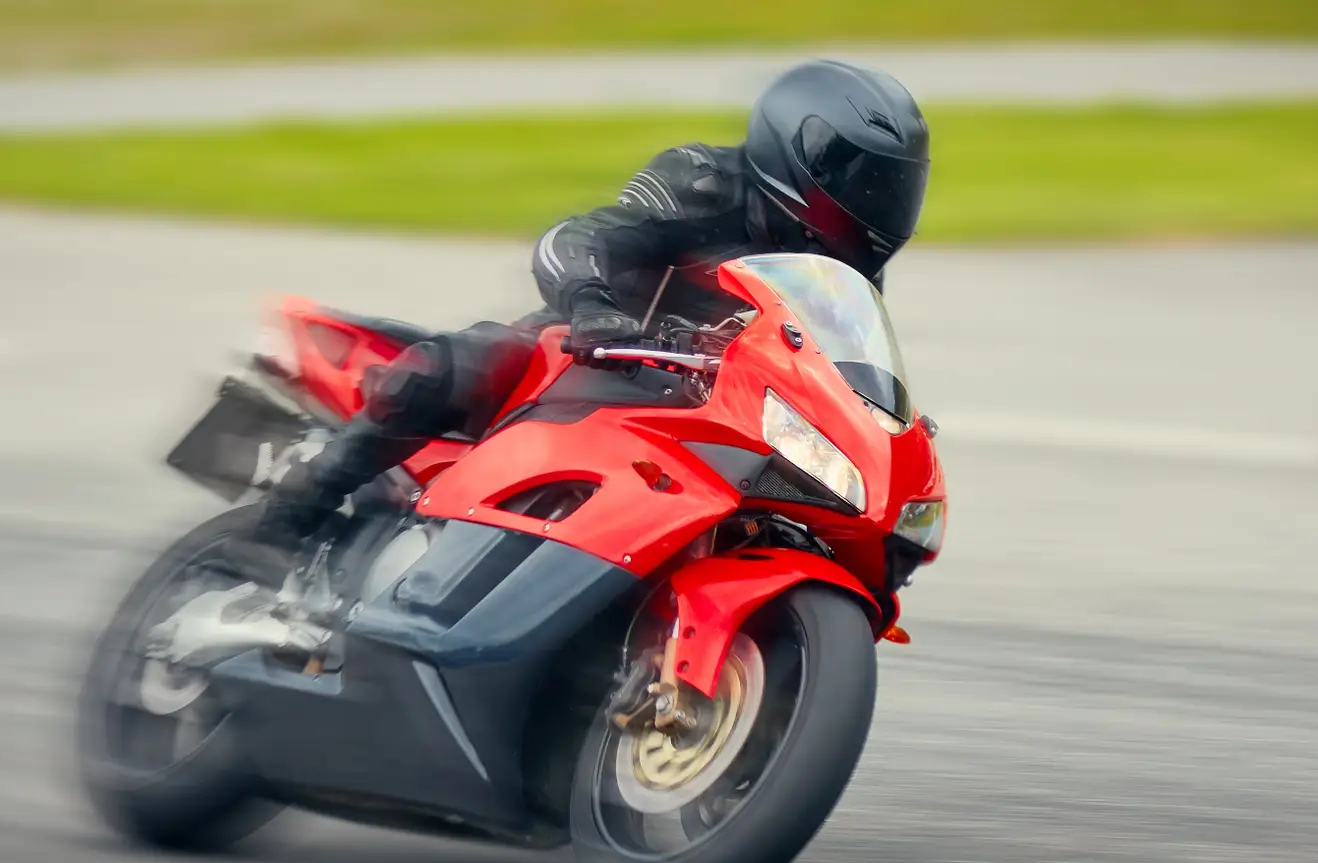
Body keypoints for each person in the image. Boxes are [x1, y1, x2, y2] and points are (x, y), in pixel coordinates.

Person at [248, 58, 931, 551]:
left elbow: (833, 363)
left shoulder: (841, 271)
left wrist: (882, 430)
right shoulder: (706, 182)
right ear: (801, 152)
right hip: (592, 359)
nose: (879, 204)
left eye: (894, 188)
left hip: (708, 414)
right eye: (865, 181)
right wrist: (595, 307)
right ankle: (285, 520)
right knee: (460, 365)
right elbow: (578, 239)